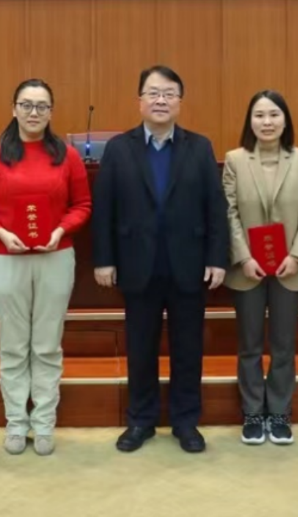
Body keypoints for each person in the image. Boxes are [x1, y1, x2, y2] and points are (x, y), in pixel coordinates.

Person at [93, 65, 228, 454]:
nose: (161, 100)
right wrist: (104, 259)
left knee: (188, 349)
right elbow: (105, 209)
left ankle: (186, 422)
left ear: (179, 102)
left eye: (169, 94)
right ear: (139, 101)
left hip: (189, 264)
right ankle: (141, 420)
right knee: (140, 349)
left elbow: (215, 208)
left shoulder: (199, 147)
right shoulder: (119, 149)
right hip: (138, 265)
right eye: (153, 93)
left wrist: (217, 258)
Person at [0, 79, 92, 456]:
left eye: (41, 106)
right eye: (26, 105)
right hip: (7, 260)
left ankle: (43, 423)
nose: (33, 112)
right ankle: (15, 423)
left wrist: (61, 230)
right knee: (13, 345)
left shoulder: (67, 156)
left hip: (55, 257)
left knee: (47, 344)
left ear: (51, 112)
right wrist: (0, 233)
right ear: (14, 109)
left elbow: (82, 205)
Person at [223, 90, 298, 446]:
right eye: (260, 115)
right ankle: (252, 412)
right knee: (249, 344)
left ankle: (279, 412)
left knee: (283, 345)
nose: (267, 122)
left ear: (285, 120)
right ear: (250, 121)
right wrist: (243, 256)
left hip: (289, 268)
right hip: (247, 268)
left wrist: (297, 255)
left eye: (274, 115)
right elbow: (229, 211)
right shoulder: (235, 160)